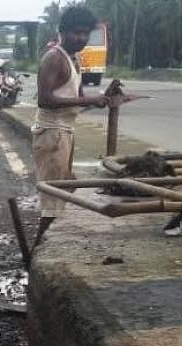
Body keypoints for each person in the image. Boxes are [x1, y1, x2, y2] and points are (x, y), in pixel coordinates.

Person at [32, 4, 108, 216]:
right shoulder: (54, 58)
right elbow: (44, 100)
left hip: (64, 132)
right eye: (76, 32)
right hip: (51, 133)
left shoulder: (75, 59)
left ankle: (42, 240)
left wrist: (104, 98)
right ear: (63, 32)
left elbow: (79, 99)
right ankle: (38, 245)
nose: (81, 38)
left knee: (62, 188)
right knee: (53, 196)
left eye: (86, 33)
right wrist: (91, 99)